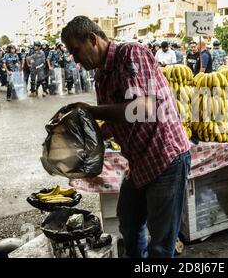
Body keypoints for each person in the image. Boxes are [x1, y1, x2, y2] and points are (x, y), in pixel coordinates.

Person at [61, 15, 191, 258]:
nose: (75, 60)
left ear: (92, 39)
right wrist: (93, 136)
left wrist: (91, 110)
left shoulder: (131, 54)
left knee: (161, 245)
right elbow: (117, 119)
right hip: (140, 163)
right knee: (129, 223)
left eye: (76, 51)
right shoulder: (102, 76)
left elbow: (142, 108)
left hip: (165, 157)